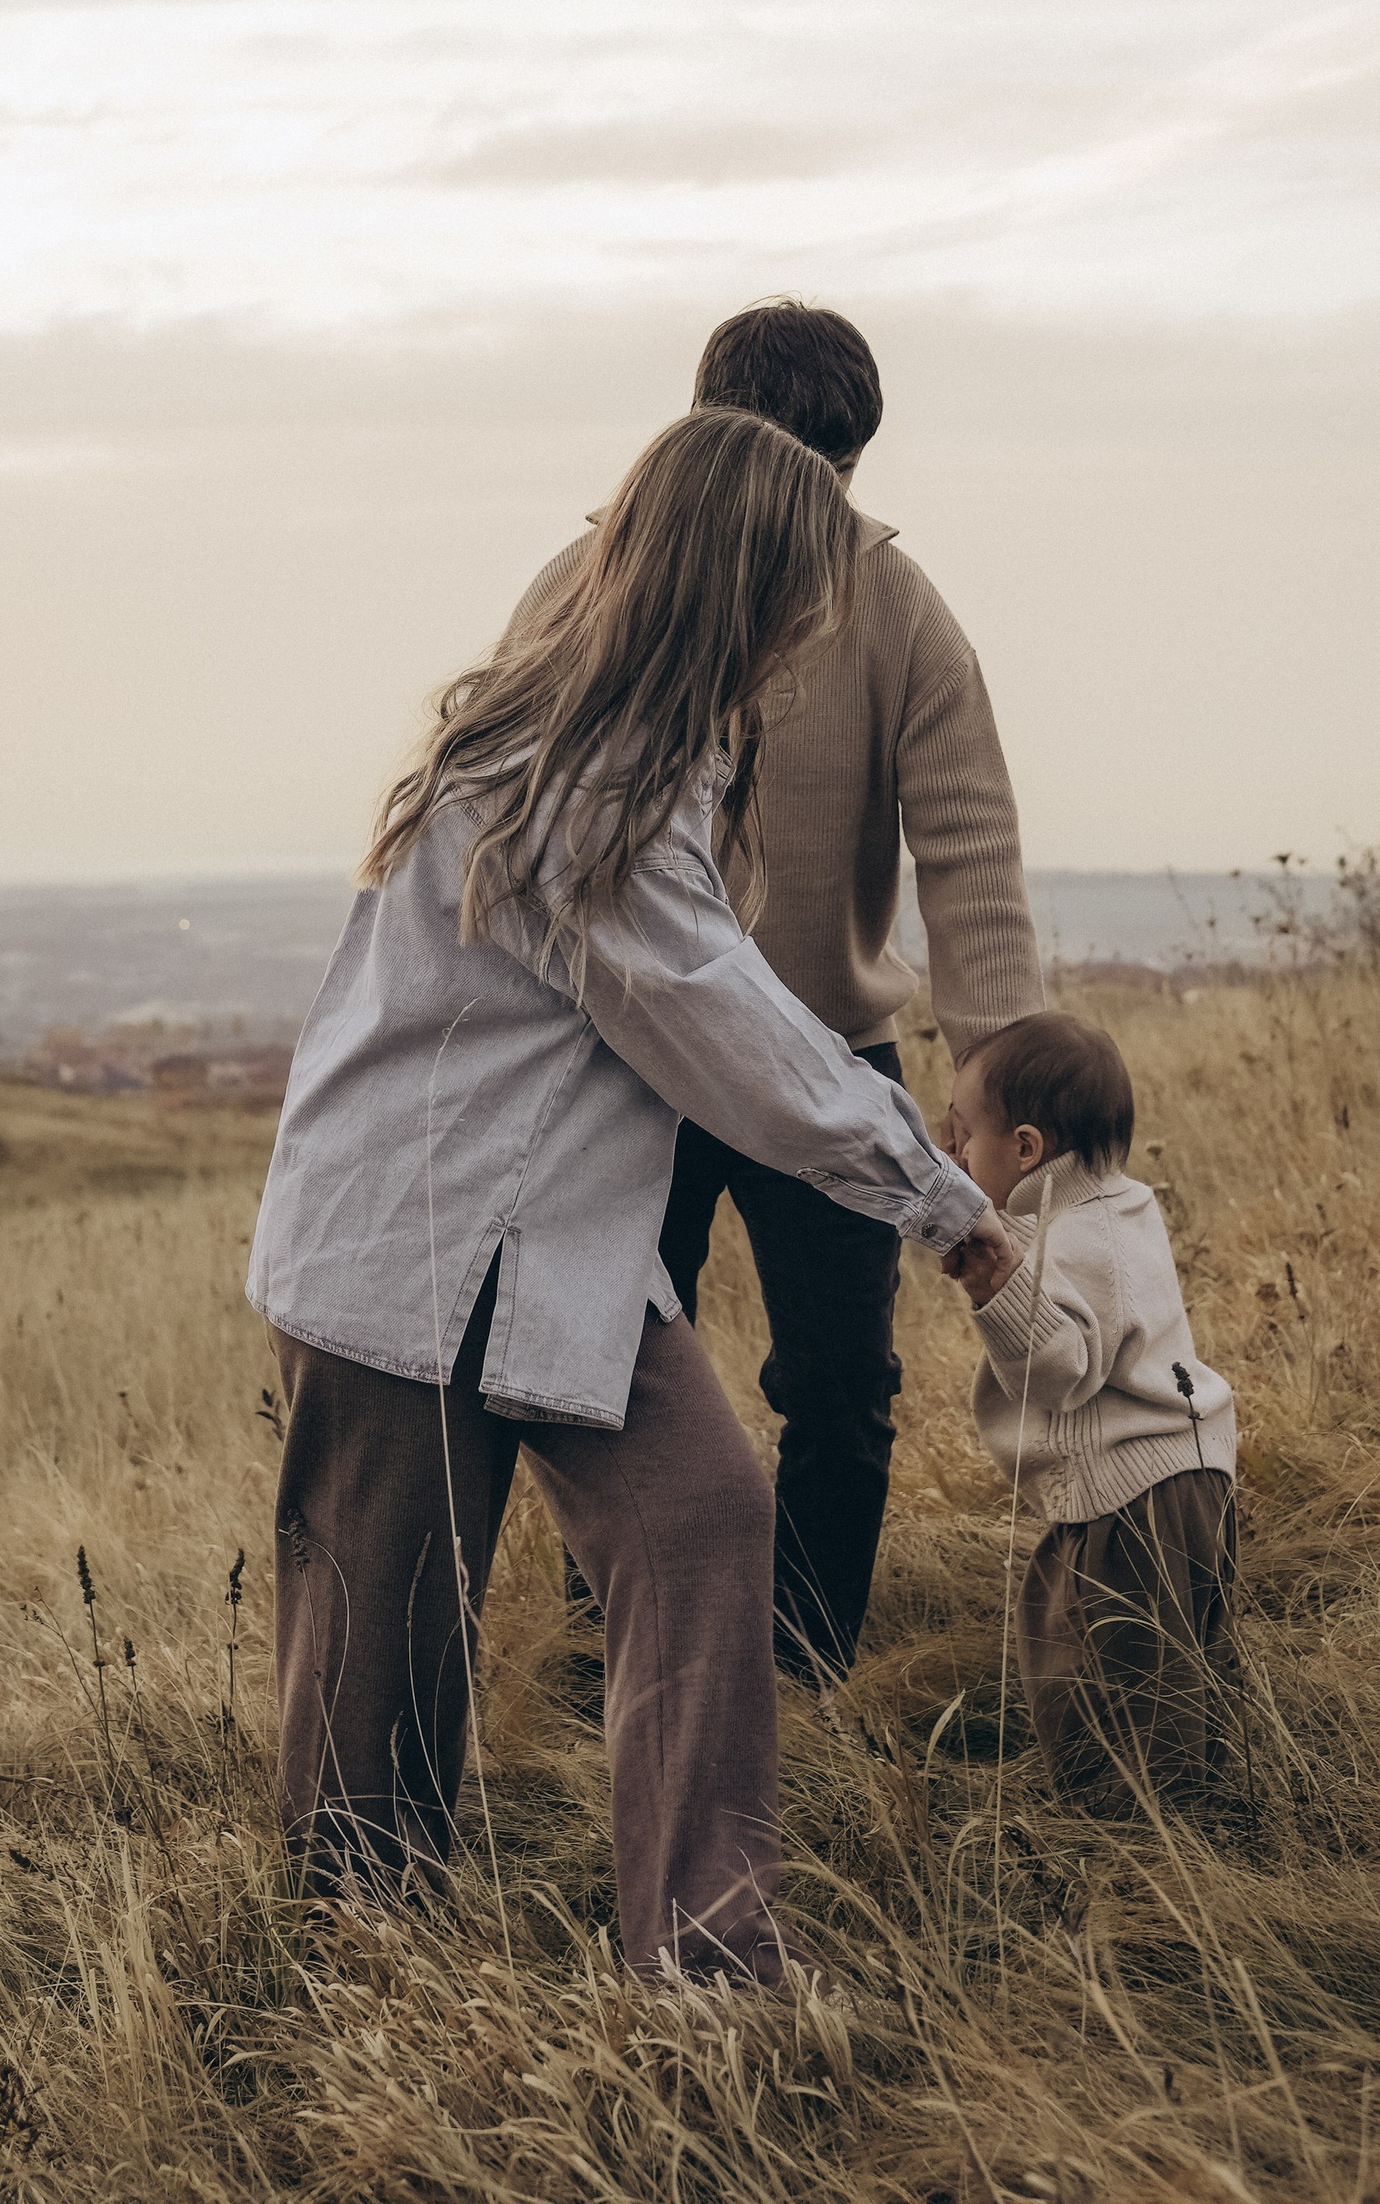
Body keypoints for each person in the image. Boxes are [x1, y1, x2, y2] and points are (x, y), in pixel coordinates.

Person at [250, 407, 1025, 1985]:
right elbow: (723, 1028)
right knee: (382, 1673)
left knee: (702, 1514)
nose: (819, 624)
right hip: (411, 1244)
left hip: (556, 1251)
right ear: (746, 583)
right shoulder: (579, 776)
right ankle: (353, 1997)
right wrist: (940, 1197)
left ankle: (708, 1961)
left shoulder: (669, 753)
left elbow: (732, 990)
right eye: (803, 587)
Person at [514, 300, 1045, 1680]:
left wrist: (1001, 1082)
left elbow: (968, 848)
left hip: (830, 1044)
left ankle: (803, 1667)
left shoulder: (901, 608)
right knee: (605, 1365)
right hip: (629, 1054)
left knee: (839, 1385)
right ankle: (620, 1656)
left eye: (836, 478)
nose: (814, 511)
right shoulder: (583, 588)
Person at [938, 1012, 1239, 1807]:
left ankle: (1135, 1836)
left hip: (1131, 1499)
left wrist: (994, 1286)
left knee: (1108, 1671)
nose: (954, 1153)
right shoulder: (1114, 1205)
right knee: (1183, 1660)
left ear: (1028, 1148)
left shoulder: (1077, 1240)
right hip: (1183, 1476)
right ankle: (1212, 1798)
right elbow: (1013, 1228)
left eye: (963, 1138)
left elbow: (1063, 1371)